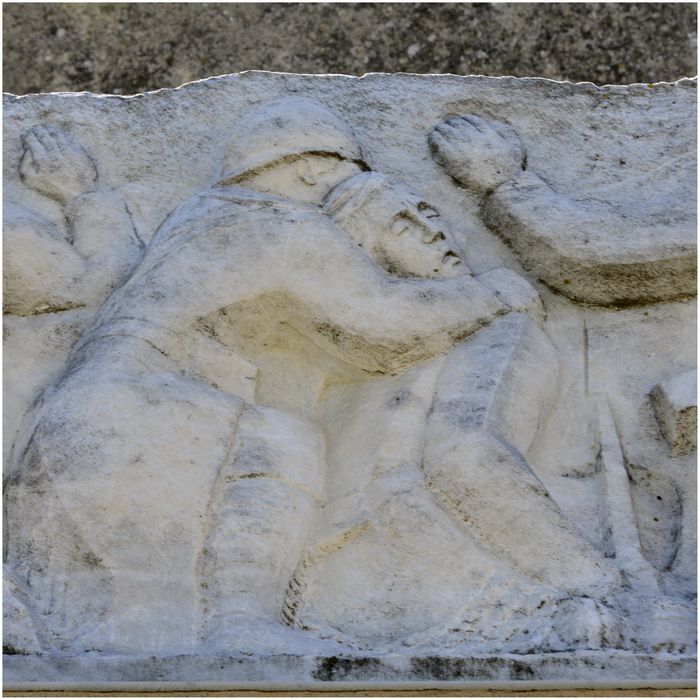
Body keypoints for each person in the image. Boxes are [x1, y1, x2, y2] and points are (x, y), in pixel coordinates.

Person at [4, 99, 504, 656]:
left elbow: (115, 277)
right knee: (147, 635)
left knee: (276, 444)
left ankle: (242, 625)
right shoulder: (282, 222)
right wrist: (499, 291)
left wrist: (87, 198)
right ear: (312, 167)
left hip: (94, 413)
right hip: (143, 415)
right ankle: (239, 625)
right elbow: (381, 317)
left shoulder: (198, 216)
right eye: (352, 173)